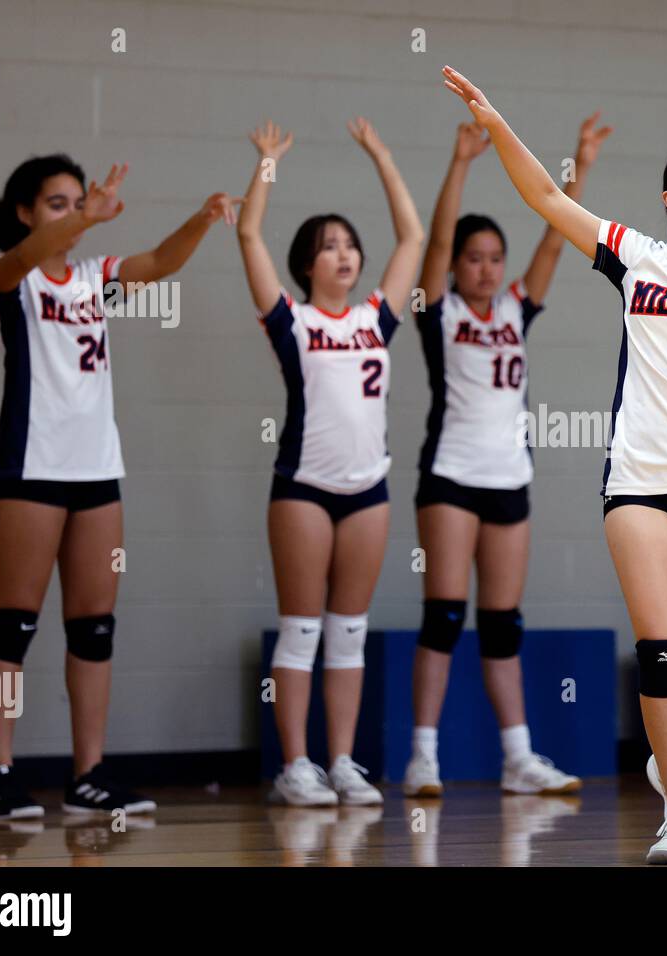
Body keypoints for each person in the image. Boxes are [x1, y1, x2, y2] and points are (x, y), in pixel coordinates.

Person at [441, 65, 667, 862]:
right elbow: (547, 197)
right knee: (664, 653)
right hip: (640, 485)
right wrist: (497, 123)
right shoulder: (636, 257)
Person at [0, 156, 237, 819]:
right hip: (32, 468)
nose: (72, 213)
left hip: (96, 470)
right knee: (15, 620)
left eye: (77, 201)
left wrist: (202, 219)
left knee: (93, 628)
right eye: (56, 203)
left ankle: (88, 775)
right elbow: (26, 256)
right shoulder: (11, 276)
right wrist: (85, 219)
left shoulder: (94, 280)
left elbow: (161, 263)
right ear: (25, 213)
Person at [403, 115, 610, 798]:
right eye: (474, 258)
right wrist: (462, 161)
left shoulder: (518, 307)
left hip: (509, 480)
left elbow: (555, 233)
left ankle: (518, 758)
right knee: (444, 616)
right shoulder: (440, 311)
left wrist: (580, 164)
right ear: (456, 266)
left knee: (502, 625)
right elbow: (435, 240)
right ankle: (424, 756)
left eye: (495, 257)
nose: (486, 268)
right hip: (450, 476)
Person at [236, 119, 424, 806]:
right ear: (306, 265)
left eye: (348, 244)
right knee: (302, 627)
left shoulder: (376, 318)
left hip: (368, 488)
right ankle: (296, 766)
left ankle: (342, 762)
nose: (343, 254)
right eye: (328, 246)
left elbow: (413, 238)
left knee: (349, 631)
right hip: (304, 488)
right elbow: (248, 235)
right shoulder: (292, 321)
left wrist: (383, 156)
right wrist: (266, 165)